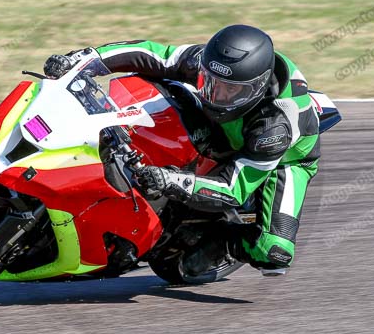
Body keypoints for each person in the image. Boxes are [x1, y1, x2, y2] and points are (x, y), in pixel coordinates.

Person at [43, 25, 320, 276]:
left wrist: (172, 181)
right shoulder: (209, 62)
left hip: (283, 158)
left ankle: (219, 238)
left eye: (229, 92)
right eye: (210, 83)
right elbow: (151, 53)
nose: (215, 96)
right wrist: (81, 60)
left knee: (275, 252)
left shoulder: (273, 129)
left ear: (257, 89)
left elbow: (233, 188)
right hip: (227, 125)